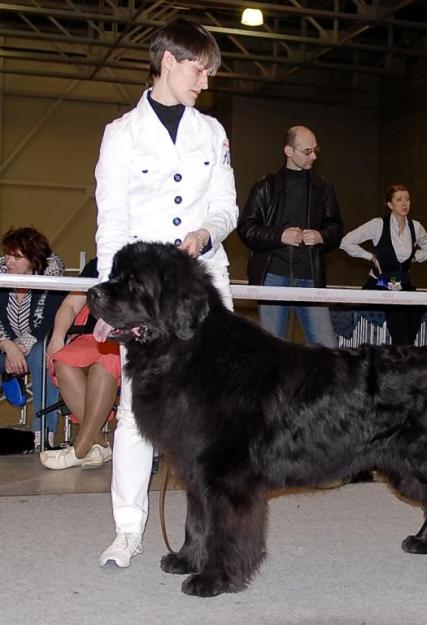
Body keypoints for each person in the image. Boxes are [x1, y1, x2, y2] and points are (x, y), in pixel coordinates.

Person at [94, 17, 238, 568]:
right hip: (145, 299)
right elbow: (111, 224)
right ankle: (127, 530)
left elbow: (227, 205)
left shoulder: (212, 133)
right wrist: (111, 304)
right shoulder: (121, 134)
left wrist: (208, 232)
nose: (205, 82)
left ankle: (206, 534)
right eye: (200, 70)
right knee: (137, 412)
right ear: (170, 62)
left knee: (211, 413)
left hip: (204, 292)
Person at [237, 125, 343, 347]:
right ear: (288, 151)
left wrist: (321, 236)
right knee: (271, 350)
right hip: (273, 277)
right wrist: (280, 236)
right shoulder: (264, 187)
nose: (313, 156)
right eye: (307, 151)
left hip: (310, 277)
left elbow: (336, 228)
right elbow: (246, 229)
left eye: (316, 150)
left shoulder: (323, 188)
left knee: (327, 349)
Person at [39, 258, 119, 470]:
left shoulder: (144, 261)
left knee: (105, 364)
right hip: (92, 337)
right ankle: (99, 442)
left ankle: (80, 447)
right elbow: (70, 305)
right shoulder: (96, 264)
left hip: (127, 340)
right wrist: (57, 337)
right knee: (63, 360)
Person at [340, 184, 427, 345]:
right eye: (399, 199)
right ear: (390, 205)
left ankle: (404, 350)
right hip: (381, 282)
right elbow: (346, 242)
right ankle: (402, 352)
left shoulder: (416, 227)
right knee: (395, 307)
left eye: (407, 199)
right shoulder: (377, 225)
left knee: (416, 310)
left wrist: (415, 257)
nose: (405, 203)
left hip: (403, 283)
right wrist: (370, 257)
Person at [0, 226, 65, 449]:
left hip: (39, 340)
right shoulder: (0, 271)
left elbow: (47, 320)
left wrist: (20, 348)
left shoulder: (52, 274)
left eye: (16, 257)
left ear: (33, 260)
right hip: (6, 344)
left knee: (42, 356)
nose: (8, 261)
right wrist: (8, 345)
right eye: (7, 254)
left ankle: (43, 434)